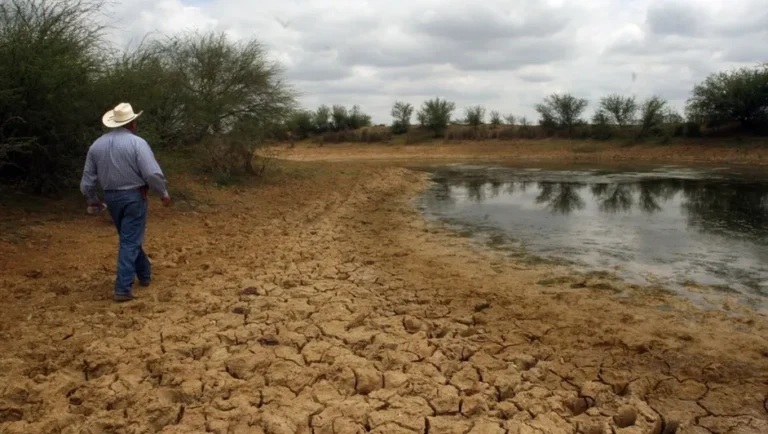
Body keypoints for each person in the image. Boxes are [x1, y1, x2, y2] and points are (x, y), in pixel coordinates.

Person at [80, 102, 172, 302]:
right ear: (132, 123)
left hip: (111, 198)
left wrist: (92, 199)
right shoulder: (137, 143)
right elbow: (151, 172)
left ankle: (145, 274)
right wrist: (163, 192)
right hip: (134, 197)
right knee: (130, 240)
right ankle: (122, 288)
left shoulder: (96, 145)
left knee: (129, 238)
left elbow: (87, 179)